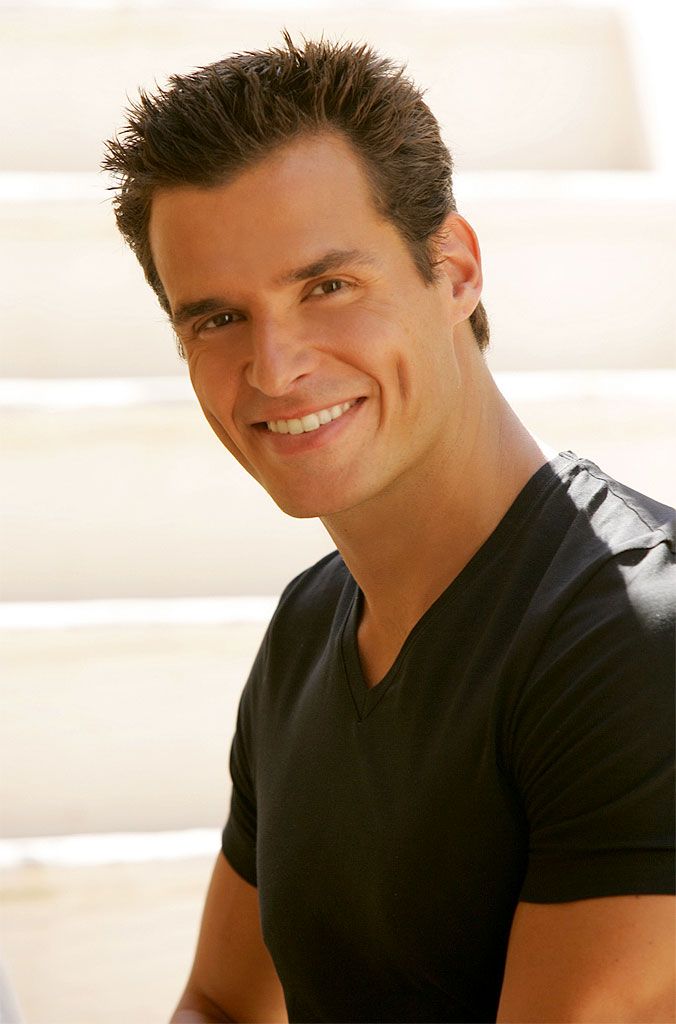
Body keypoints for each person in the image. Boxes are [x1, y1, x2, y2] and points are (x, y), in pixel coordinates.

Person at [103, 34, 675, 1024]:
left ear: (453, 269)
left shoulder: (637, 638)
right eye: (218, 319)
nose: (275, 366)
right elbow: (224, 1003)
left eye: (325, 287)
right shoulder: (308, 626)